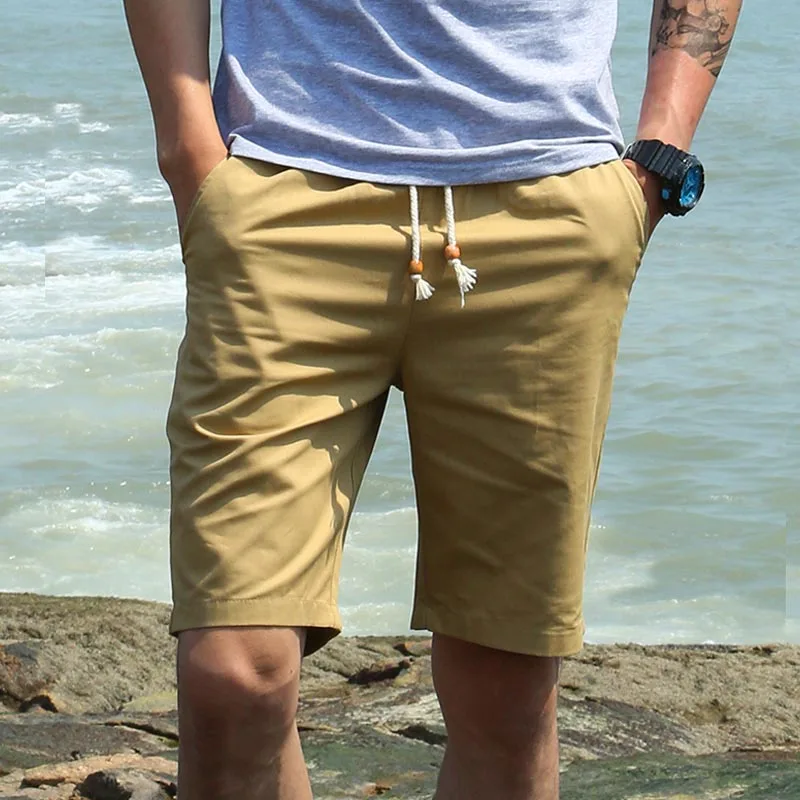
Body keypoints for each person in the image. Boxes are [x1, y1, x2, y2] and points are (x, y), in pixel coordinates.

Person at [124, 1, 742, 797]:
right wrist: (187, 149)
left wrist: (658, 155)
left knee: (506, 694)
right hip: (282, 191)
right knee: (233, 674)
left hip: (546, 208)